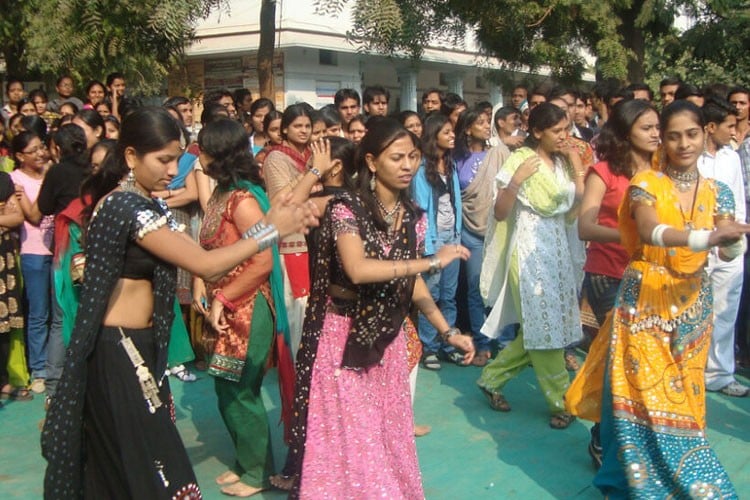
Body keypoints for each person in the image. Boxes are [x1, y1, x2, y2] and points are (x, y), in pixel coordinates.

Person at [40, 107, 318, 499]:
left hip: (140, 347)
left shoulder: (148, 205)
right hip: (119, 351)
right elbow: (203, 262)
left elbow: (216, 251)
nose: (175, 170)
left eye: (177, 158)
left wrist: (276, 221)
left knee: (136, 458)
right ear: (132, 156)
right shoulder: (125, 207)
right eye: (164, 160)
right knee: (147, 460)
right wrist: (273, 229)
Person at [281, 117, 474, 498]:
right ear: (371, 161)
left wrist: (447, 330)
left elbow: (410, 282)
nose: (407, 166)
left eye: (413, 157)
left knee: (385, 437)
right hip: (341, 339)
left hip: (387, 339)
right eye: (397, 157)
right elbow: (358, 269)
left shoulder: (413, 218)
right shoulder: (344, 208)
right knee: (351, 443)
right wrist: (432, 261)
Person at [566, 101, 746, 498]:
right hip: (645, 302)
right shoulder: (646, 184)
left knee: (685, 399)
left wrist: (731, 242)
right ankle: (663, 487)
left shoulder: (720, 192)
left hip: (694, 306)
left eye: (692, 134)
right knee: (643, 397)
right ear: (662, 140)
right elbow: (648, 232)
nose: (684, 143)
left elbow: (728, 251)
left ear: (705, 134)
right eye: (673, 135)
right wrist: (707, 238)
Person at [195, 118, 293, 496]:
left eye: (202, 148)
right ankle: (245, 461)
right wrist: (204, 285)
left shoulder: (245, 200)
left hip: (248, 310)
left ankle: (257, 473)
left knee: (240, 389)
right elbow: (209, 251)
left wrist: (223, 296)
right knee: (224, 386)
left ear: (217, 153)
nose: (196, 155)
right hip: (225, 310)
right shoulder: (221, 193)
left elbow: (264, 260)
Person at [478, 103, 584, 428]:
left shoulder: (565, 163)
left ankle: (491, 379)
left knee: (541, 329)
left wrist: (578, 168)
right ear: (537, 132)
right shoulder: (520, 160)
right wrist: (515, 182)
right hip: (526, 254)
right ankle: (561, 402)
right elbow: (498, 212)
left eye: (566, 129)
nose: (564, 137)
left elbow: (575, 207)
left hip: (557, 251)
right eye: (556, 131)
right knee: (545, 330)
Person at [577, 99, 660, 467]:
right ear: (627, 132)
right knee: (618, 362)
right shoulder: (604, 172)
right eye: (648, 128)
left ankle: (631, 439)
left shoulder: (664, 173)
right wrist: (630, 235)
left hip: (652, 277)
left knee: (644, 363)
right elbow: (585, 226)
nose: (656, 134)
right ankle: (602, 439)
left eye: (658, 127)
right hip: (606, 276)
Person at [698, 98, 749, 397]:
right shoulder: (692, 157)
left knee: (726, 310)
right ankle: (689, 371)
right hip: (699, 245)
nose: (734, 131)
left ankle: (719, 375)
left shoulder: (731, 156)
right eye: (729, 125)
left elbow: (738, 200)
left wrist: (735, 237)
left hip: (729, 245)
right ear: (711, 127)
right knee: (691, 311)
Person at [453, 108, 504, 366]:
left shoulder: (499, 154)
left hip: (498, 229)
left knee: (500, 287)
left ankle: (504, 345)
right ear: (467, 129)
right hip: (468, 230)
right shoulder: (456, 159)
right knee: (475, 288)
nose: (486, 126)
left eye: (488, 122)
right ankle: (482, 344)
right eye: (480, 122)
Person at [412, 113, 463, 369]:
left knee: (449, 295)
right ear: (434, 137)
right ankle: (429, 347)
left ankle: (449, 343)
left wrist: (458, 234)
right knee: (429, 294)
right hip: (433, 240)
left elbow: (457, 204)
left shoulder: (451, 165)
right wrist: (429, 244)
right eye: (446, 132)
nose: (452, 135)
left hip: (452, 237)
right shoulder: (421, 169)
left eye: (452, 131)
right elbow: (421, 208)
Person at [263, 104, 314, 357]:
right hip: (292, 242)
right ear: (285, 129)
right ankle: (296, 369)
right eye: (297, 126)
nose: (303, 131)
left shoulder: (314, 154)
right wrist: (312, 174)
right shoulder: (276, 158)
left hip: (316, 238)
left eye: (307, 126)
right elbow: (282, 200)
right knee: (296, 309)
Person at [10, 131, 55, 396]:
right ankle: (39, 369)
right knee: (39, 314)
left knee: (59, 313)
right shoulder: (14, 180)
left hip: (57, 250)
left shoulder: (52, 173)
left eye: (42, 147)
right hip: (33, 251)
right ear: (19, 156)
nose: (40, 153)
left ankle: (55, 364)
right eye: (33, 150)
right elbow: (33, 216)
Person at [0, 166, 27, 403]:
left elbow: (17, 216)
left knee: (4, 323)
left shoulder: (3, 180)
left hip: (3, 262)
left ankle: (4, 382)